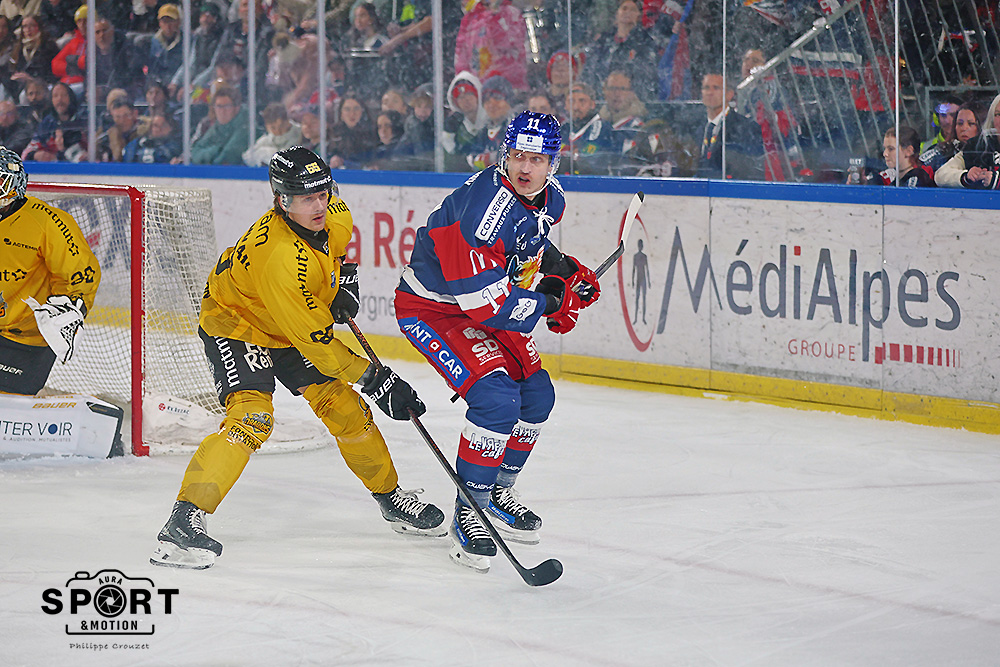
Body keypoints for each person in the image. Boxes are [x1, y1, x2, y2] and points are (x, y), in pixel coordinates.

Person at [151, 146, 444, 569]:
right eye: (307, 198)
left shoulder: (332, 212)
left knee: (347, 410)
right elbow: (319, 347)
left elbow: (339, 249)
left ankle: (391, 498)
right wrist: (378, 380)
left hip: (287, 324)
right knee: (252, 418)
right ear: (281, 199)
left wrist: (345, 282)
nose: (319, 205)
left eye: (323, 193)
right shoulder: (279, 259)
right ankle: (184, 519)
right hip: (237, 323)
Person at [394, 111, 601, 572]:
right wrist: (551, 304)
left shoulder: (549, 197)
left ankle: (497, 492)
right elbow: (485, 307)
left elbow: (528, 246)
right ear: (504, 154)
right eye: (518, 156)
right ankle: (469, 509)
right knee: (495, 398)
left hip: (487, 300)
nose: (525, 167)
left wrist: (566, 272)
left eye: (537, 159)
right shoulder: (482, 215)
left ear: (553, 164)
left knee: (538, 395)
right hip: (434, 308)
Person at [0, 148, 100, 395]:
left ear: (13, 184)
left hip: (25, 338)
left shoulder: (48, 222)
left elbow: (81, 273)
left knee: (8, 406)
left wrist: (73, 307)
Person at [696, 73, 764, 180]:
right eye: (706, 88)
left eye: (716, 88)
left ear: (729, 94)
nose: (710, 92)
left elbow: (747, 171)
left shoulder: (745, 127)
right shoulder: (693, 125)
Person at [935, 93, 1000, 189]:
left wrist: (997, 181)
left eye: (971, 123)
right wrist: (965, 176)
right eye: (998, 114)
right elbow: (940, 175)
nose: (964, 128)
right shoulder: (977, 145)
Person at [22, 81, 86, 162]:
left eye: (64, 95)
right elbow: (26, 153)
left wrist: (61, 154)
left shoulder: (82, 120)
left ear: (71, 98)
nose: (60, 99)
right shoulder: (47, 123)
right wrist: (35, 155)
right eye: (55, 96)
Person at [188, 85, 250, 165]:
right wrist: (215, 150)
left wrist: (208, 160)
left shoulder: (245, 128)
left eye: (227, 106)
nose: (222, 111)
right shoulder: (215, 127)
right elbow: (195, 152)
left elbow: (227, 157)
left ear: (237, 108)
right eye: (219, 106)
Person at [862, 126, 935, 187]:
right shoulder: (898, 180)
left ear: (909, 151)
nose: (885, 154)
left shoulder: (916, 181)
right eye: (885, 149)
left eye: (891, 149)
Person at [243, 102, 303, 166]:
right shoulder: (268, 138)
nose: (277, 131)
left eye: (274, 127)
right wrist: (263, 153)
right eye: (272, 128)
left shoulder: (301, 134)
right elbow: (247, 156)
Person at [97, 97, 148, 162]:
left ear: (135, 114)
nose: (122, 121)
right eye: (118, 117)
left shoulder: (144, 135)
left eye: (126, 115)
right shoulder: (107, 137)